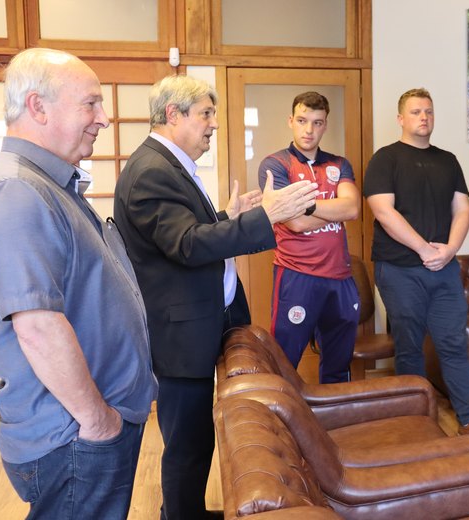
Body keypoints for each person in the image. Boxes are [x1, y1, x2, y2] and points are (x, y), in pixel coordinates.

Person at [114, 75, 317, 520]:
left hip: (201, 320)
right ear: (173, 114)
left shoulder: (168, 164)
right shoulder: (152, 171)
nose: (213, 125)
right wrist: (268, 215)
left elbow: (189, 234)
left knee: (195, 439)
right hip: (181, 331)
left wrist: (229, 215)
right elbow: (187, 246)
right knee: (187, 440)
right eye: (205, 114)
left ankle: (184, 511)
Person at [0, 48, 157, 519]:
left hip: (86, 424)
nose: (104, 118)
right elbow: (37, 325)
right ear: (38, 107)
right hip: (74, 432)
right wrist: (97, 421)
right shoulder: (17, 189)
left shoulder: (48, 184)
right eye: (90, 104)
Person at [363, 88, 469, 447]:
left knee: (453, 343)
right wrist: (425, 249)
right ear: (401, 119)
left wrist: (451, 249)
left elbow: (463, 208)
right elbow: (383, 211)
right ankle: (416, 423)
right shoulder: (385, 159)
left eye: (428, 111)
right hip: (399, 269)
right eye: (415, 112)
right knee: (409, 345)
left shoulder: (448, 160)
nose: (423, 117)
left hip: (444, 270)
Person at [258, 92, 360, 383]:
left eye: (317, 123)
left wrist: (309, 204)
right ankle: (283, 424)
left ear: (325, 125)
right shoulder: (275, 164)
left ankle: (335, 425)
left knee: (339, 364)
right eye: (302, 121)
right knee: (284, 360)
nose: (308, 130)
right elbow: (296, 223)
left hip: (340, 277)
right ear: (291, 121)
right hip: (297, 276)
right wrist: (330, 209)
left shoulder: (339, 164)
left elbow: (351, 208)